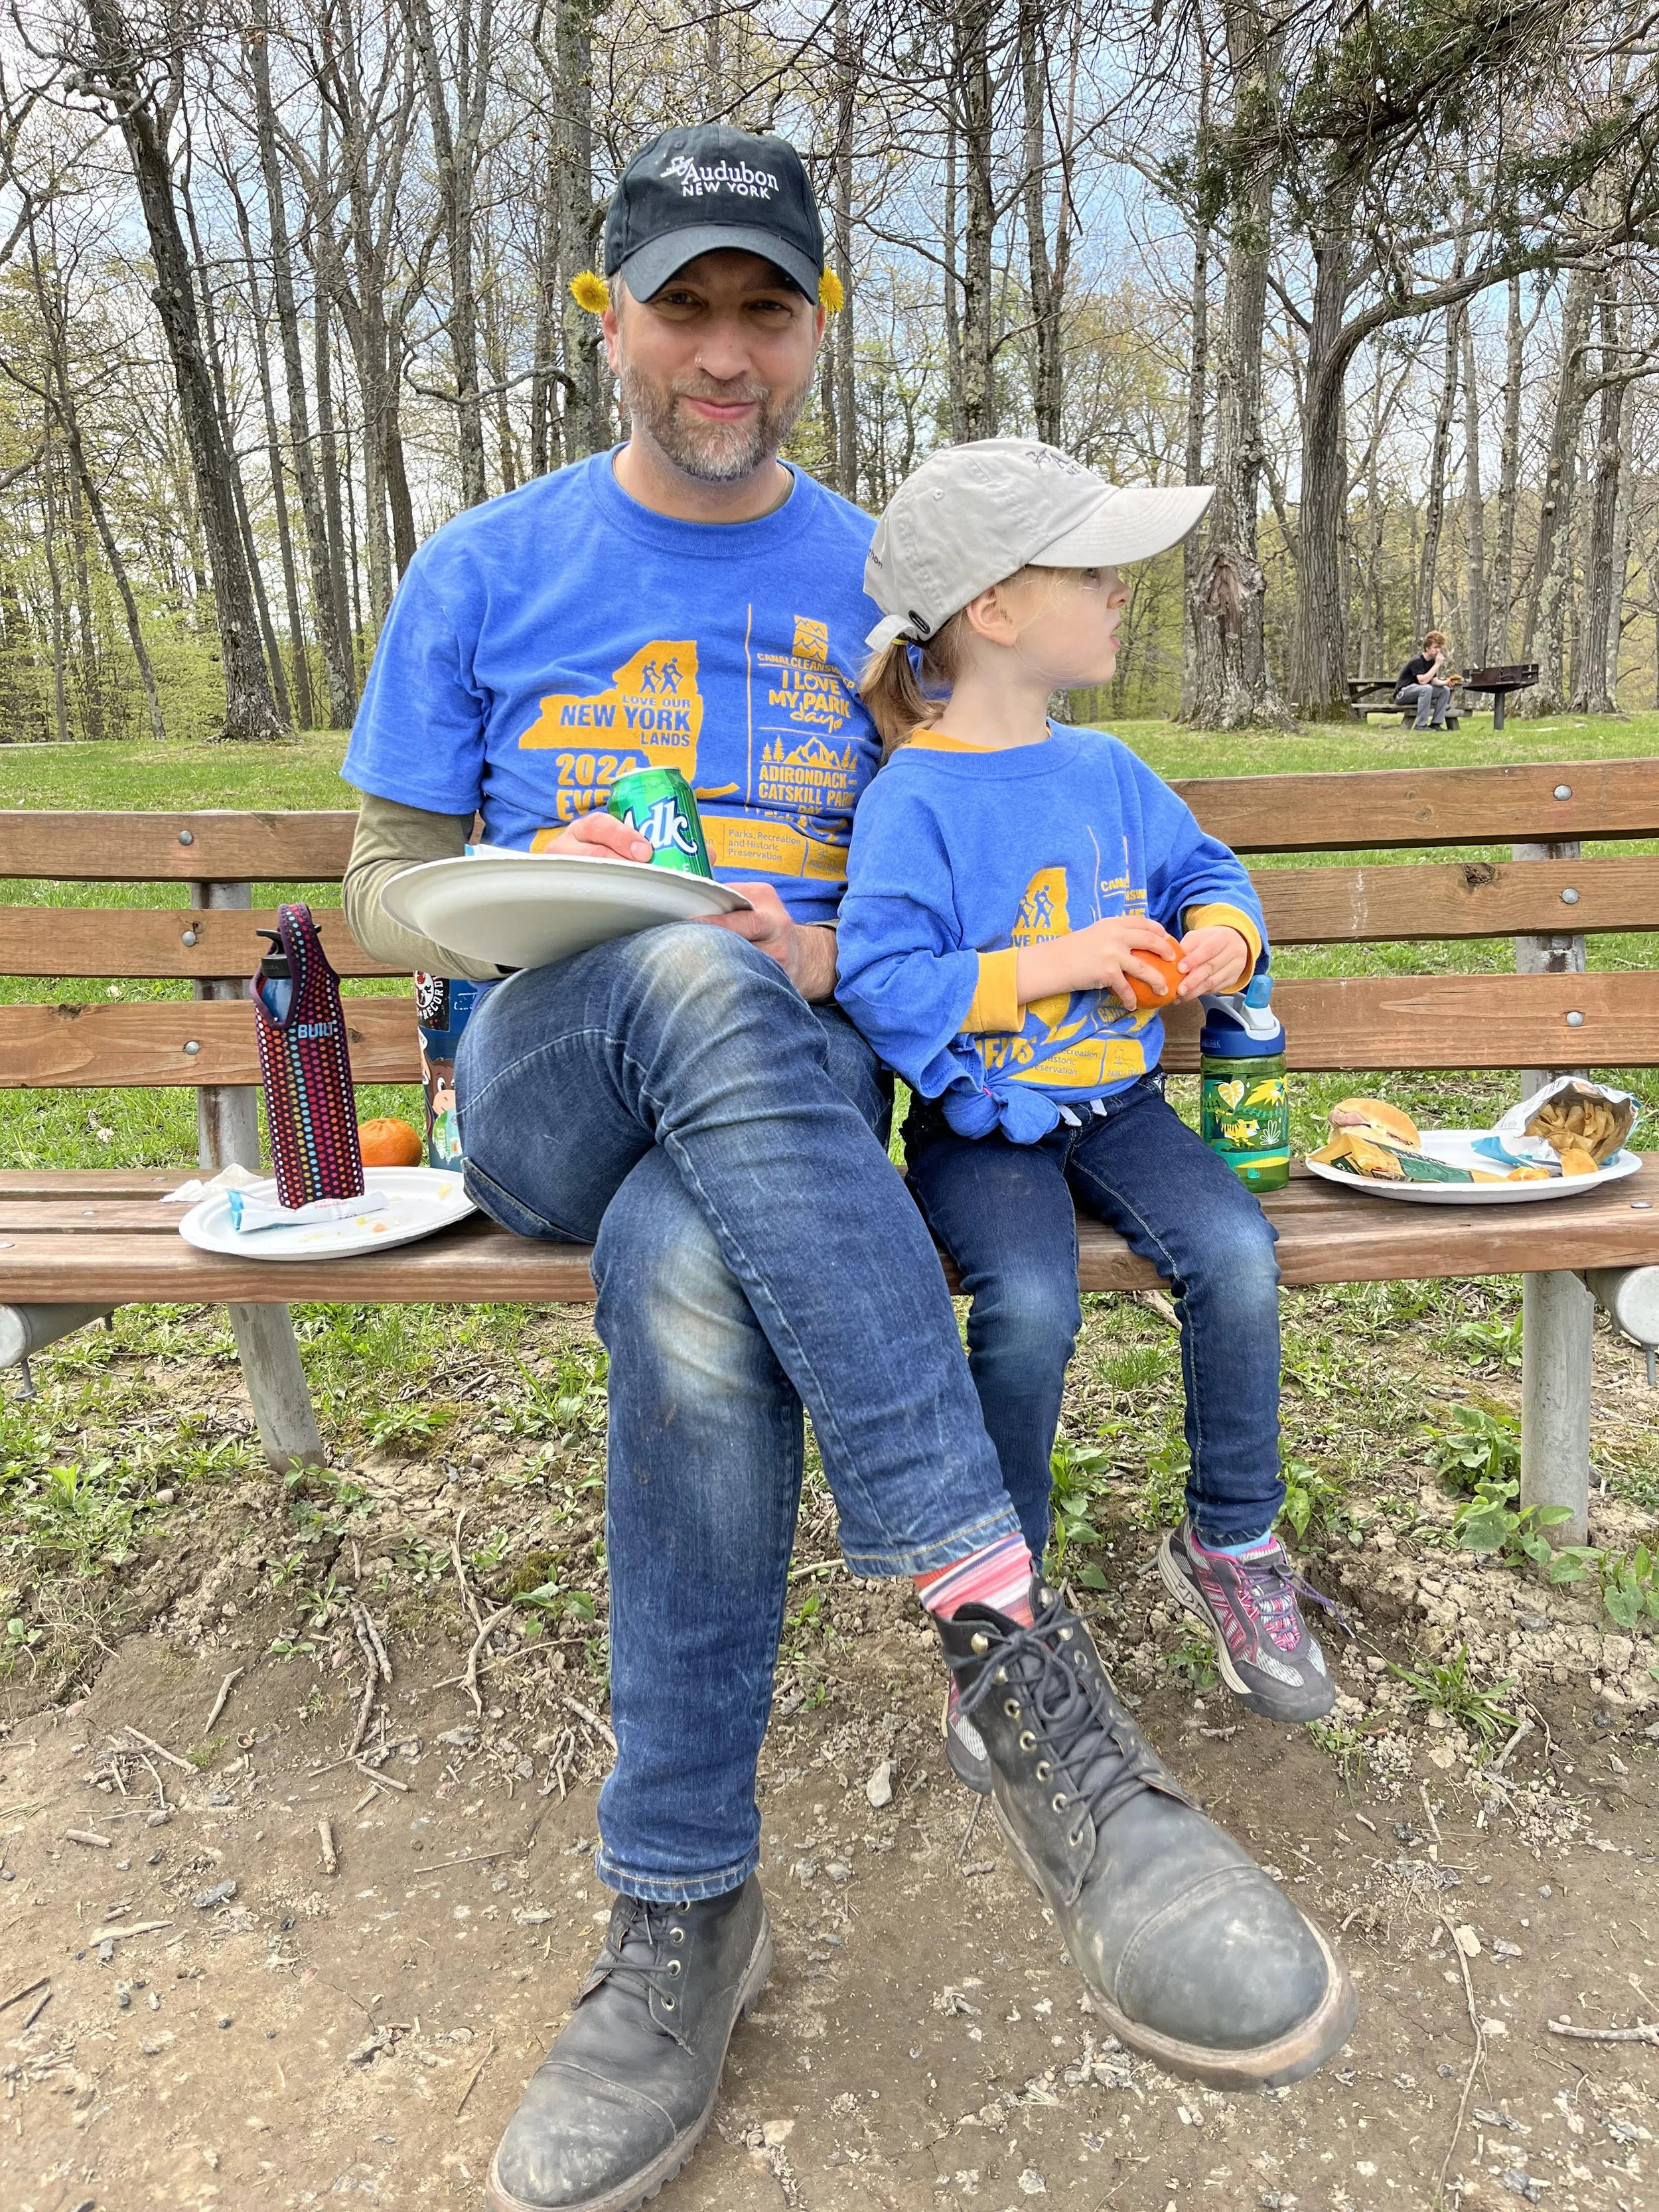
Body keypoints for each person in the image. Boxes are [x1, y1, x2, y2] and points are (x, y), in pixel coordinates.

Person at [341, 128, 1354, 2212]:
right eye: (682, 307)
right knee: (683, 984)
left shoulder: (870, 579)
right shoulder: (484, 568)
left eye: (762, 310)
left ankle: (680, 1913)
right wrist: (553, 892)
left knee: (703, 1260)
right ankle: (1011, 1649)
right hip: (545, 1065)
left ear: (810, 331)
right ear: (606, 321)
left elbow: (968, 838)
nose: (721, 353)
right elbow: (377, 881)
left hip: (778, 1107)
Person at [835, 441, 1338, 1808]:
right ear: (996, 608)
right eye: (1094, 571)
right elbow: (883, 986)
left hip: (1115, 1106)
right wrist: (1055, 964)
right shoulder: (915, 799)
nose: (1122, 592)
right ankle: (1001, 1620)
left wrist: (1222, 930)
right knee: (1031, 1306)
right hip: (981, 1129)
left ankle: (1229, 1543)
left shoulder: (1107, 767)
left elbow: (1202, 868)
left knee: (1233, 1254)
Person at [1396, 628, 1454, 729]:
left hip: (1419, 692)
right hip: (1403, 694)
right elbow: (1422, 681)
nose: (1438, 650)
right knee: (1427, 688)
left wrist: (1447, 682)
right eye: (1435, 647)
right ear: (1427, 648)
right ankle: (1421, 725)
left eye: (1439, 647)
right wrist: (1437, 665)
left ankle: (1436, 724)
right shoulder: (1417, 660)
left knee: (1445, 690)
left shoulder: (1431, 662)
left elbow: (1434, 680)